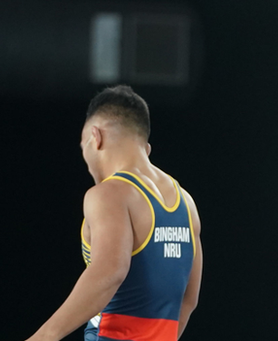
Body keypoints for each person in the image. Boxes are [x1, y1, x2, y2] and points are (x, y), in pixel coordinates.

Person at [26, 85, 203, 341]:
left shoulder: (110, 194)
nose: (86, 164)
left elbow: (110, 273)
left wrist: (45, 337)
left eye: (83, 147)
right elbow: (188, 301)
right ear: (145, 146)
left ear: (95, 138)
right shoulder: (187, 204)